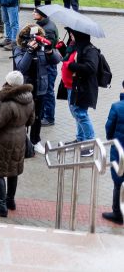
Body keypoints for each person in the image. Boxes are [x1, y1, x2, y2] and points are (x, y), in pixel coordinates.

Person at [0, 70, 35, 217]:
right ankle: (10, 200)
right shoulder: (29, 99)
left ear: (8, 83)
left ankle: (1, 205)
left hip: (4, 141)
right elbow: (31, 121)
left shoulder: (8, 103)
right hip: (19, 139)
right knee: (13, 170)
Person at [13, 24, 60, 154]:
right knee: (22, 117)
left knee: (38, 116)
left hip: (40, 88)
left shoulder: (42, 48)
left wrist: (50, 51)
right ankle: (21, 141)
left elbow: (56, 60)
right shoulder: (19, 49)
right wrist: (29, 51)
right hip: (24, 89)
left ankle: (35, 140)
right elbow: (21, 67)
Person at [65, 28, 100, 149]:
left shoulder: (90, 50)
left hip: (84, 88)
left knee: (80, 114)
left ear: (79, 35)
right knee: (77, 113)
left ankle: (90, 144)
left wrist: (72, 66)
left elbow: (91, 68)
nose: (71, 36)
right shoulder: (78, 46)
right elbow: (66, 58)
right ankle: (80, 139)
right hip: (75, 86)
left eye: (72, 34)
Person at [33, 7, 59, 126]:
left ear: (42, 15)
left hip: (48, 64)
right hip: (44, 63)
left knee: (48, 91)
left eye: (35, 12)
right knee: (43, 90)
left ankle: (49, 117)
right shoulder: (42, 24)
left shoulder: (48, 29)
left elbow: (45, 47)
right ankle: (42, 114)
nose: (33, 13)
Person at [102, 81, 124, 224]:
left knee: (118, 181)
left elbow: (109, 129)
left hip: (120, 149)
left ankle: (117, 213)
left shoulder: (117, 107)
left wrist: (111, 139)